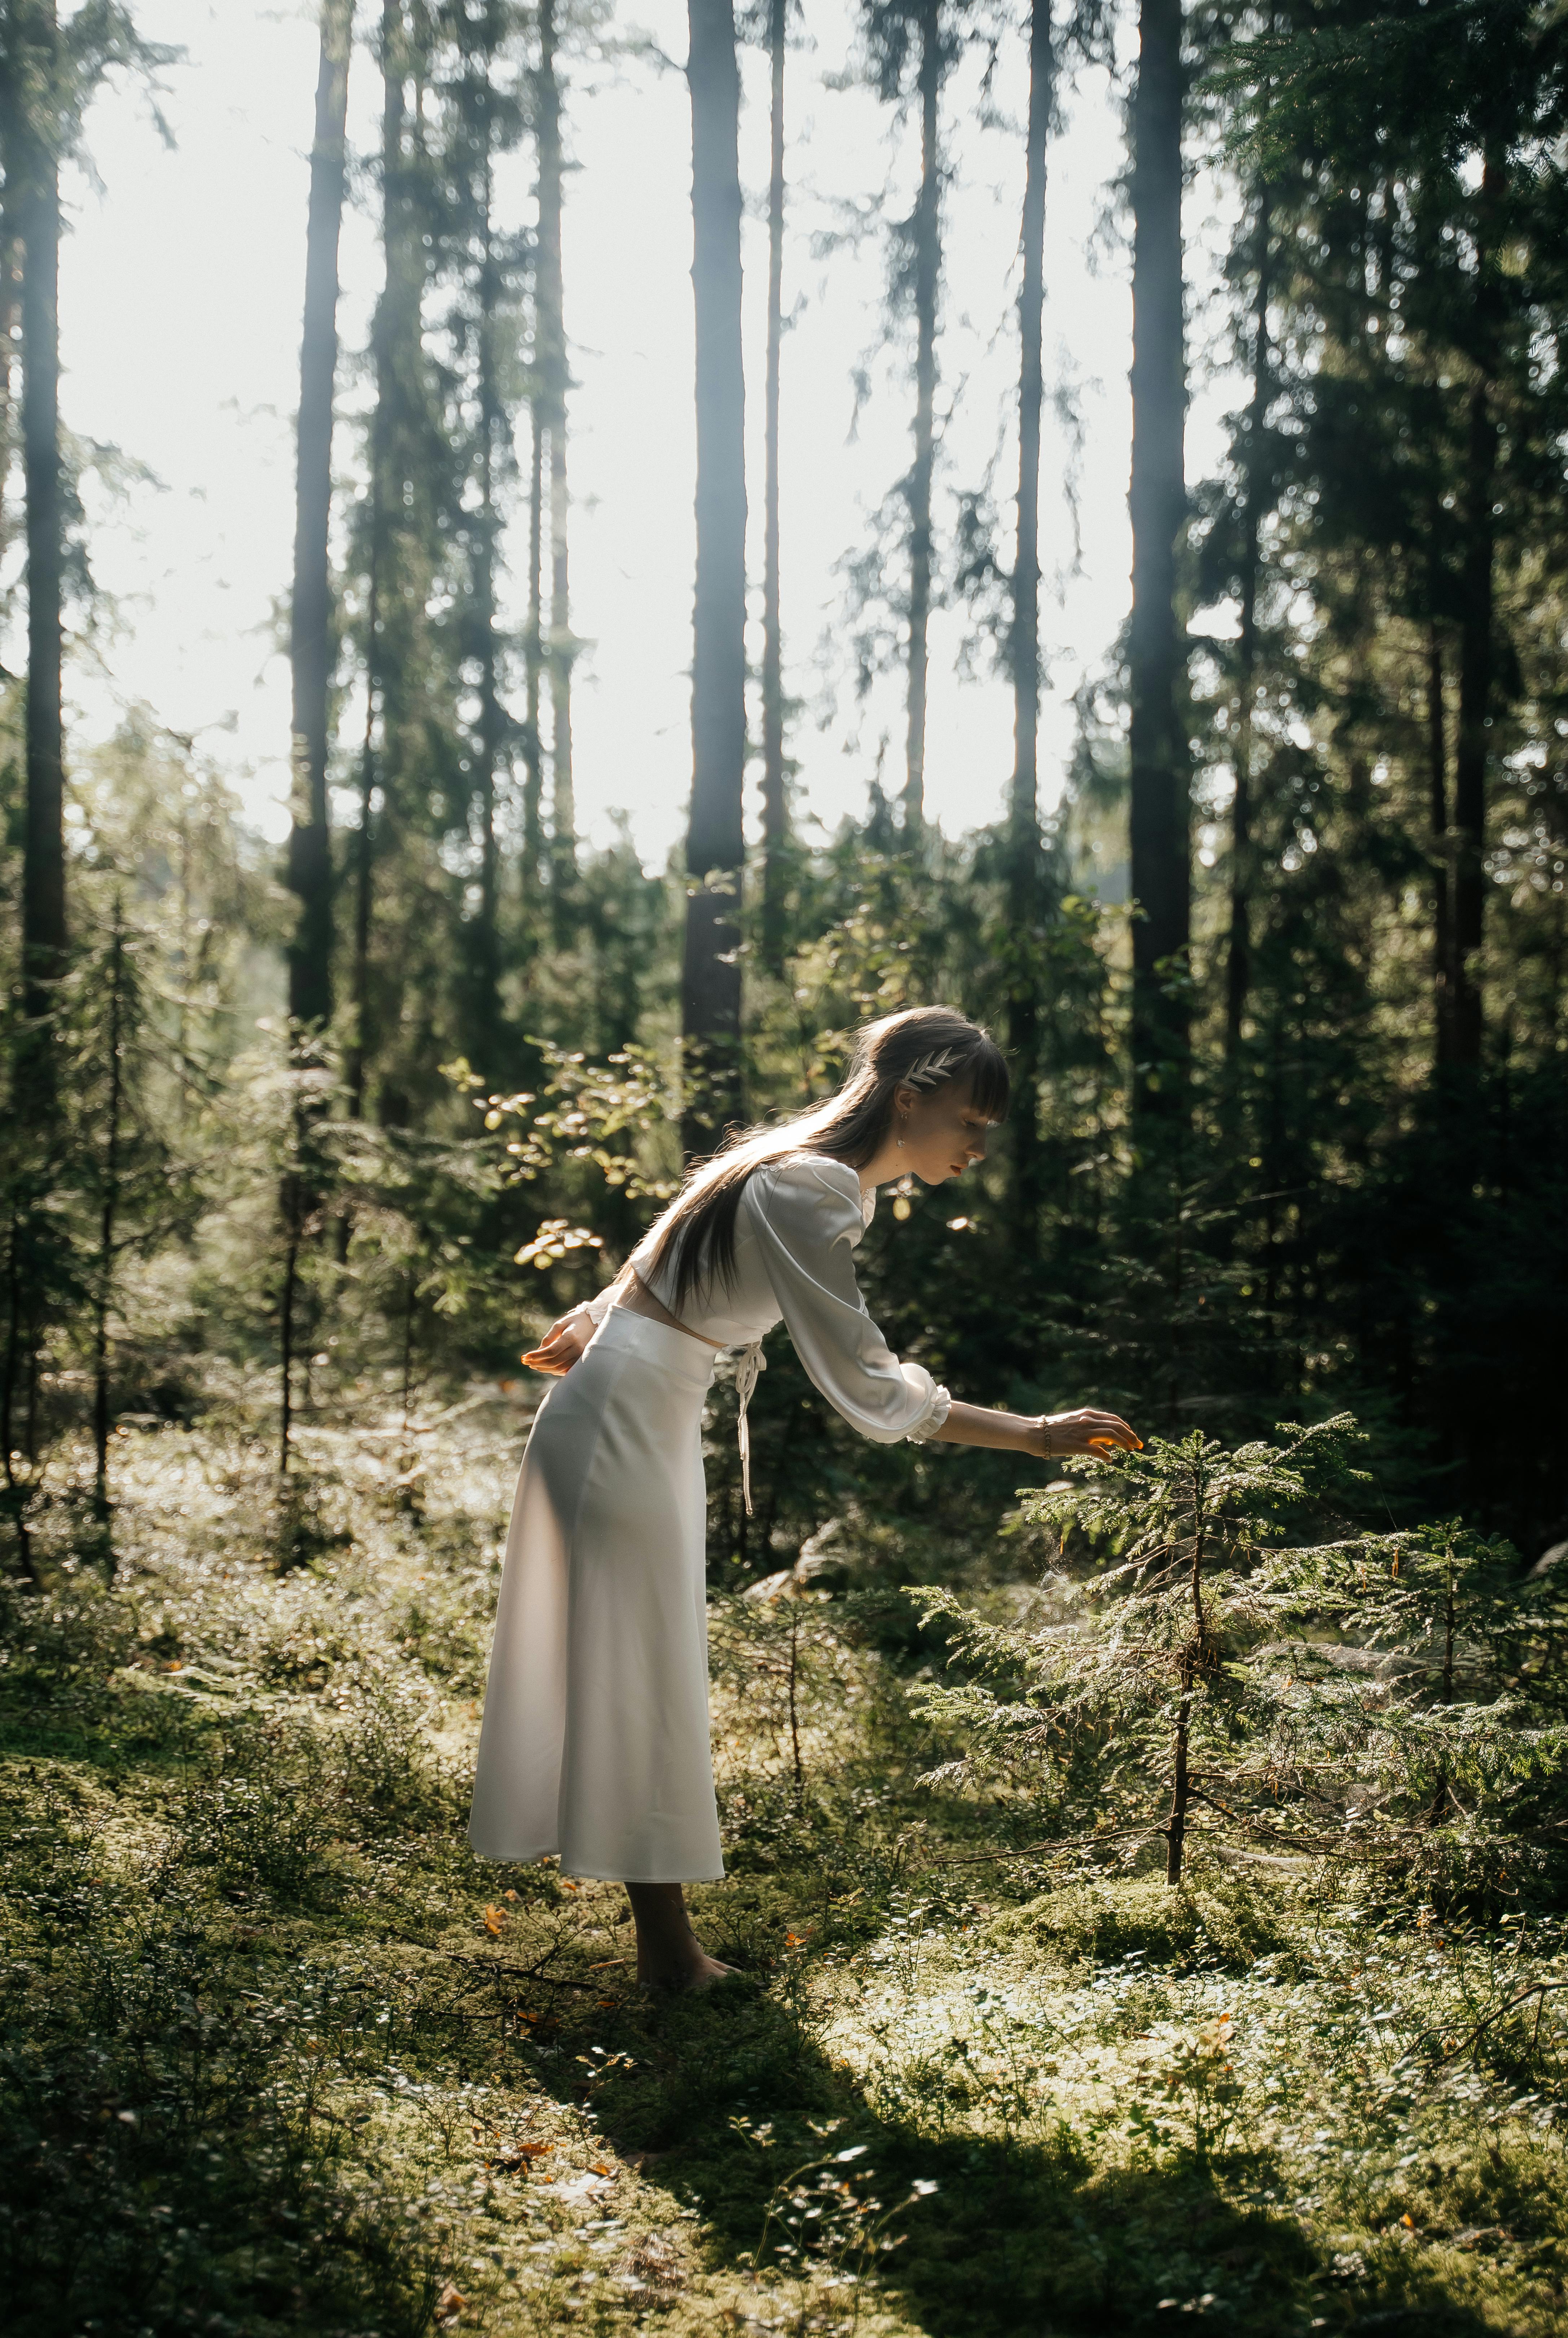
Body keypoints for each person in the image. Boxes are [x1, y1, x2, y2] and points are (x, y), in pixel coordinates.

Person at [468, 1006, 1140, 1990]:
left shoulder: (783, 1164)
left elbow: (647, 1265)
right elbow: (868, 1390)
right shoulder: (809, 1184)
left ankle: (661, 1946)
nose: (978, 1147)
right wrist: (1032, 1435)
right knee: (643, 1662)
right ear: (910, 1098)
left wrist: (600, 1318)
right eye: (969, 1121)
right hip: (624, 1416)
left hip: (627, 1403)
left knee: (631, 1656)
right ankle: (670, 1961)